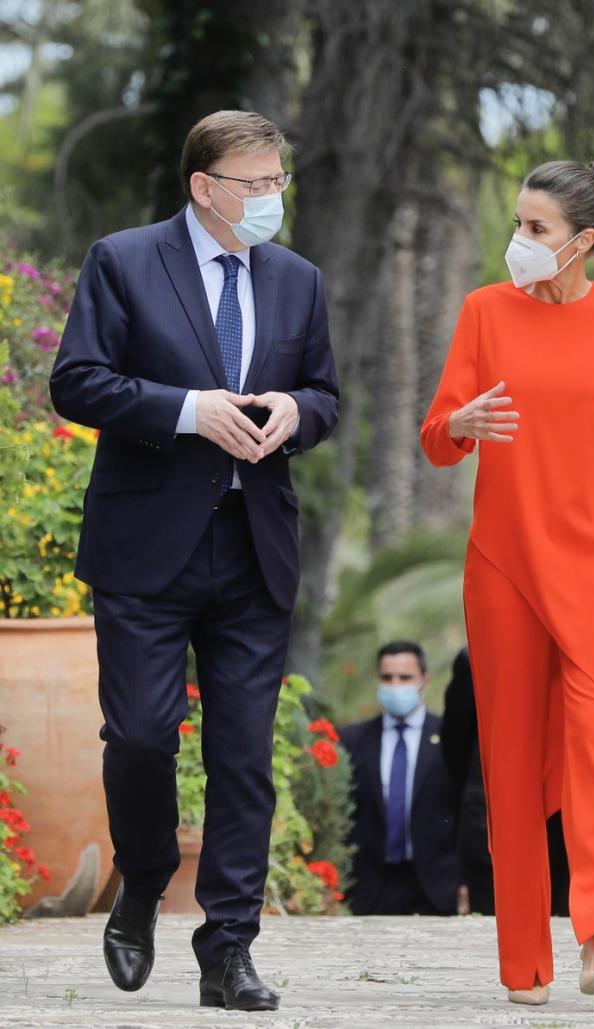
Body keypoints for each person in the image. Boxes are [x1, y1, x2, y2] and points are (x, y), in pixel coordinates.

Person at [48, 110, 338, 1011]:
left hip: (254, 547)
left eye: (278, 182)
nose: (271, 200)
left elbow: (327, 394)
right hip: (147, 547)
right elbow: (77, 380)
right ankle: (140, 883)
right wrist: (186, 409)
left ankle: (228, 948)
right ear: (204, 188)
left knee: (245, 755)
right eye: (255, 185)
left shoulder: (298, 279)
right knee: (138, 734)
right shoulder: (125, 259)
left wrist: (297, 411)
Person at [420, 159, 594, 1009]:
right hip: (504, 568)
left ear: (581, 241)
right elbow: (437, 437)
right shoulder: (485, 310)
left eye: (536, 229)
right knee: (512, 762)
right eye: (518, 224)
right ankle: (524, 958)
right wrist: (458, 421)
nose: (519, 242)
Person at [439, 647, 571, 917]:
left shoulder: (574, 649)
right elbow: (455, 745)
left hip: (561, 823)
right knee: (495, 921)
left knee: (561, 923)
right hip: (491, 815)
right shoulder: (476, 655)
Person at [339, 641, 461, 916]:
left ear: (424, 680)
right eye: (387, 678)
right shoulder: (352, 740)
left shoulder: (449, 737)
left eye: (405, 678)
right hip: (368, 889)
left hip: (437, 889)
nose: (395, 685)